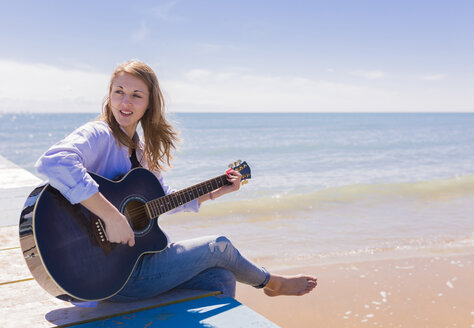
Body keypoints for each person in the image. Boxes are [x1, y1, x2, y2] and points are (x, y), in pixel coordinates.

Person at [35, 59, 317, 301]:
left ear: (149, 104)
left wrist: (215, 192)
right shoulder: (100, 133)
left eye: (136, 95)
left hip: (129, 269)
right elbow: (54, 161)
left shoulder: (140, 152)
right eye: (119, 92)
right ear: (109, 95)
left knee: (221, 279)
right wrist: (111, 216)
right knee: (220, 247)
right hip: (106, 275)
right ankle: (272, 284)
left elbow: (161, 200)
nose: (125, 101)